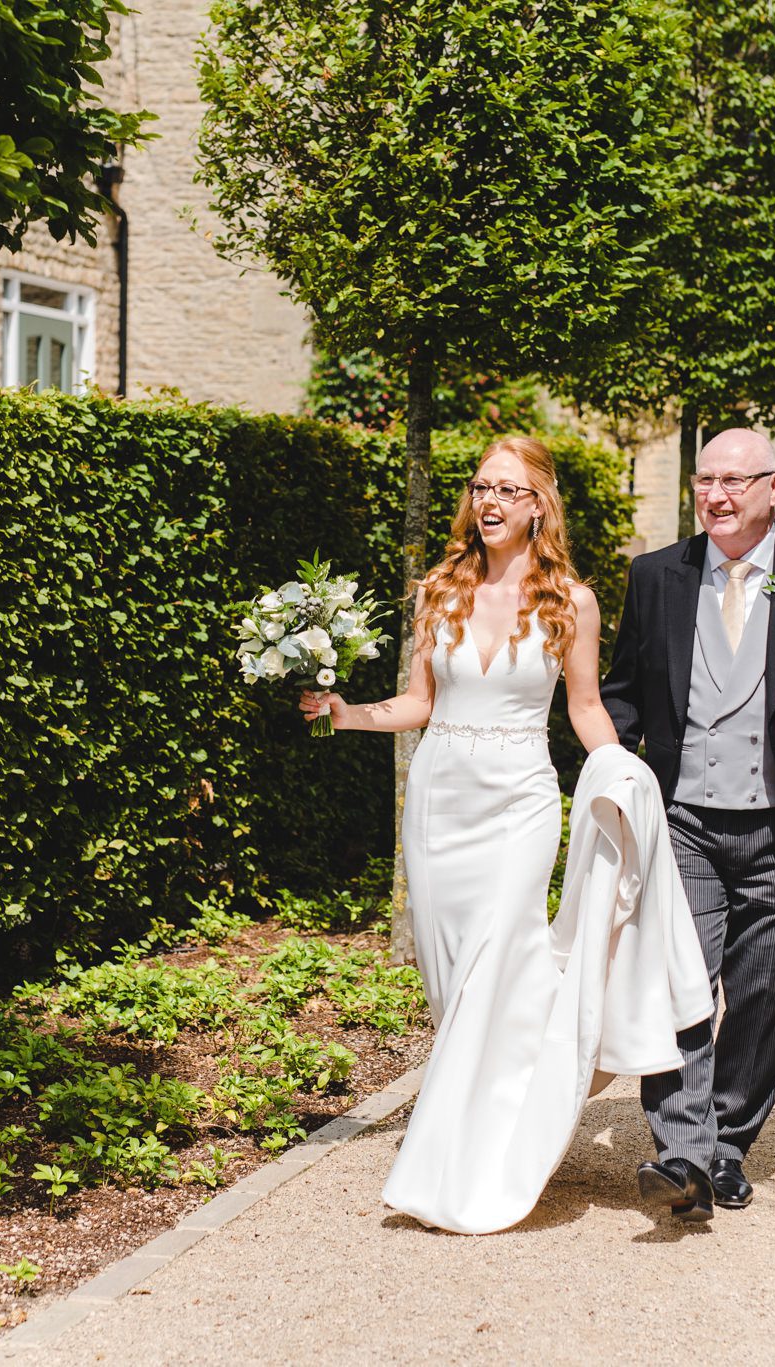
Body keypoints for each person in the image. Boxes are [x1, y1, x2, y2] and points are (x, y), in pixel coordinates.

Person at [301, 435, 708, 1234]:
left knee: (500, 960)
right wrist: (345, 714)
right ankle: (494, 1117)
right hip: (440, 800)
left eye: (508, 489)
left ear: (538, 505)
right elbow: (418, 702)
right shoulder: (438, 589)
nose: (488, 500)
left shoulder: (572, 601)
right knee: (456, 984)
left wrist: (626, 775)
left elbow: (586, 709)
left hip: (520, 803)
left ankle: (465, 1169)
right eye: (481, 485)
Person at [599, 428, 775, 1221]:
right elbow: (622, 692)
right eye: (705, 482)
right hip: (684, 819)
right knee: (679, 982)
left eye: (734, 481)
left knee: (763, 994)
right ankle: (683, 1150)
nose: (717, 497)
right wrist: (615, 776)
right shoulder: (657, 576)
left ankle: (727, 1143)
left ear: (772, 486)